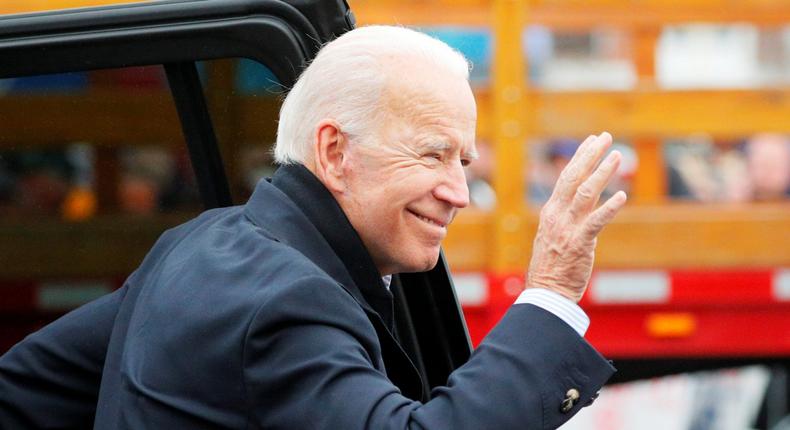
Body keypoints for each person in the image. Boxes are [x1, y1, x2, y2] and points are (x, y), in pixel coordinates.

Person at [0, 26, 627, 429]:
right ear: (333, 153)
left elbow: (24, 394)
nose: (459, 193)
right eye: (432, 154)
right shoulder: (287, 298)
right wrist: (551, 290)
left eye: (462, 162)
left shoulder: (198, 242)